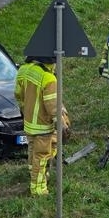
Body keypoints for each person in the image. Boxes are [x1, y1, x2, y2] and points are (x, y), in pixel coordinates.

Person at [15, 56, 70, 197]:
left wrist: (25, 110)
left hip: (29, 124)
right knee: (42, 157)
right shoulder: (48, 78)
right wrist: (63, 125)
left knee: (33, 152)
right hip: (43, 127)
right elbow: (53, 107)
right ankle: (38, 189)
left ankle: (33, 174)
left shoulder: (23, 70)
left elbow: (18, 94)